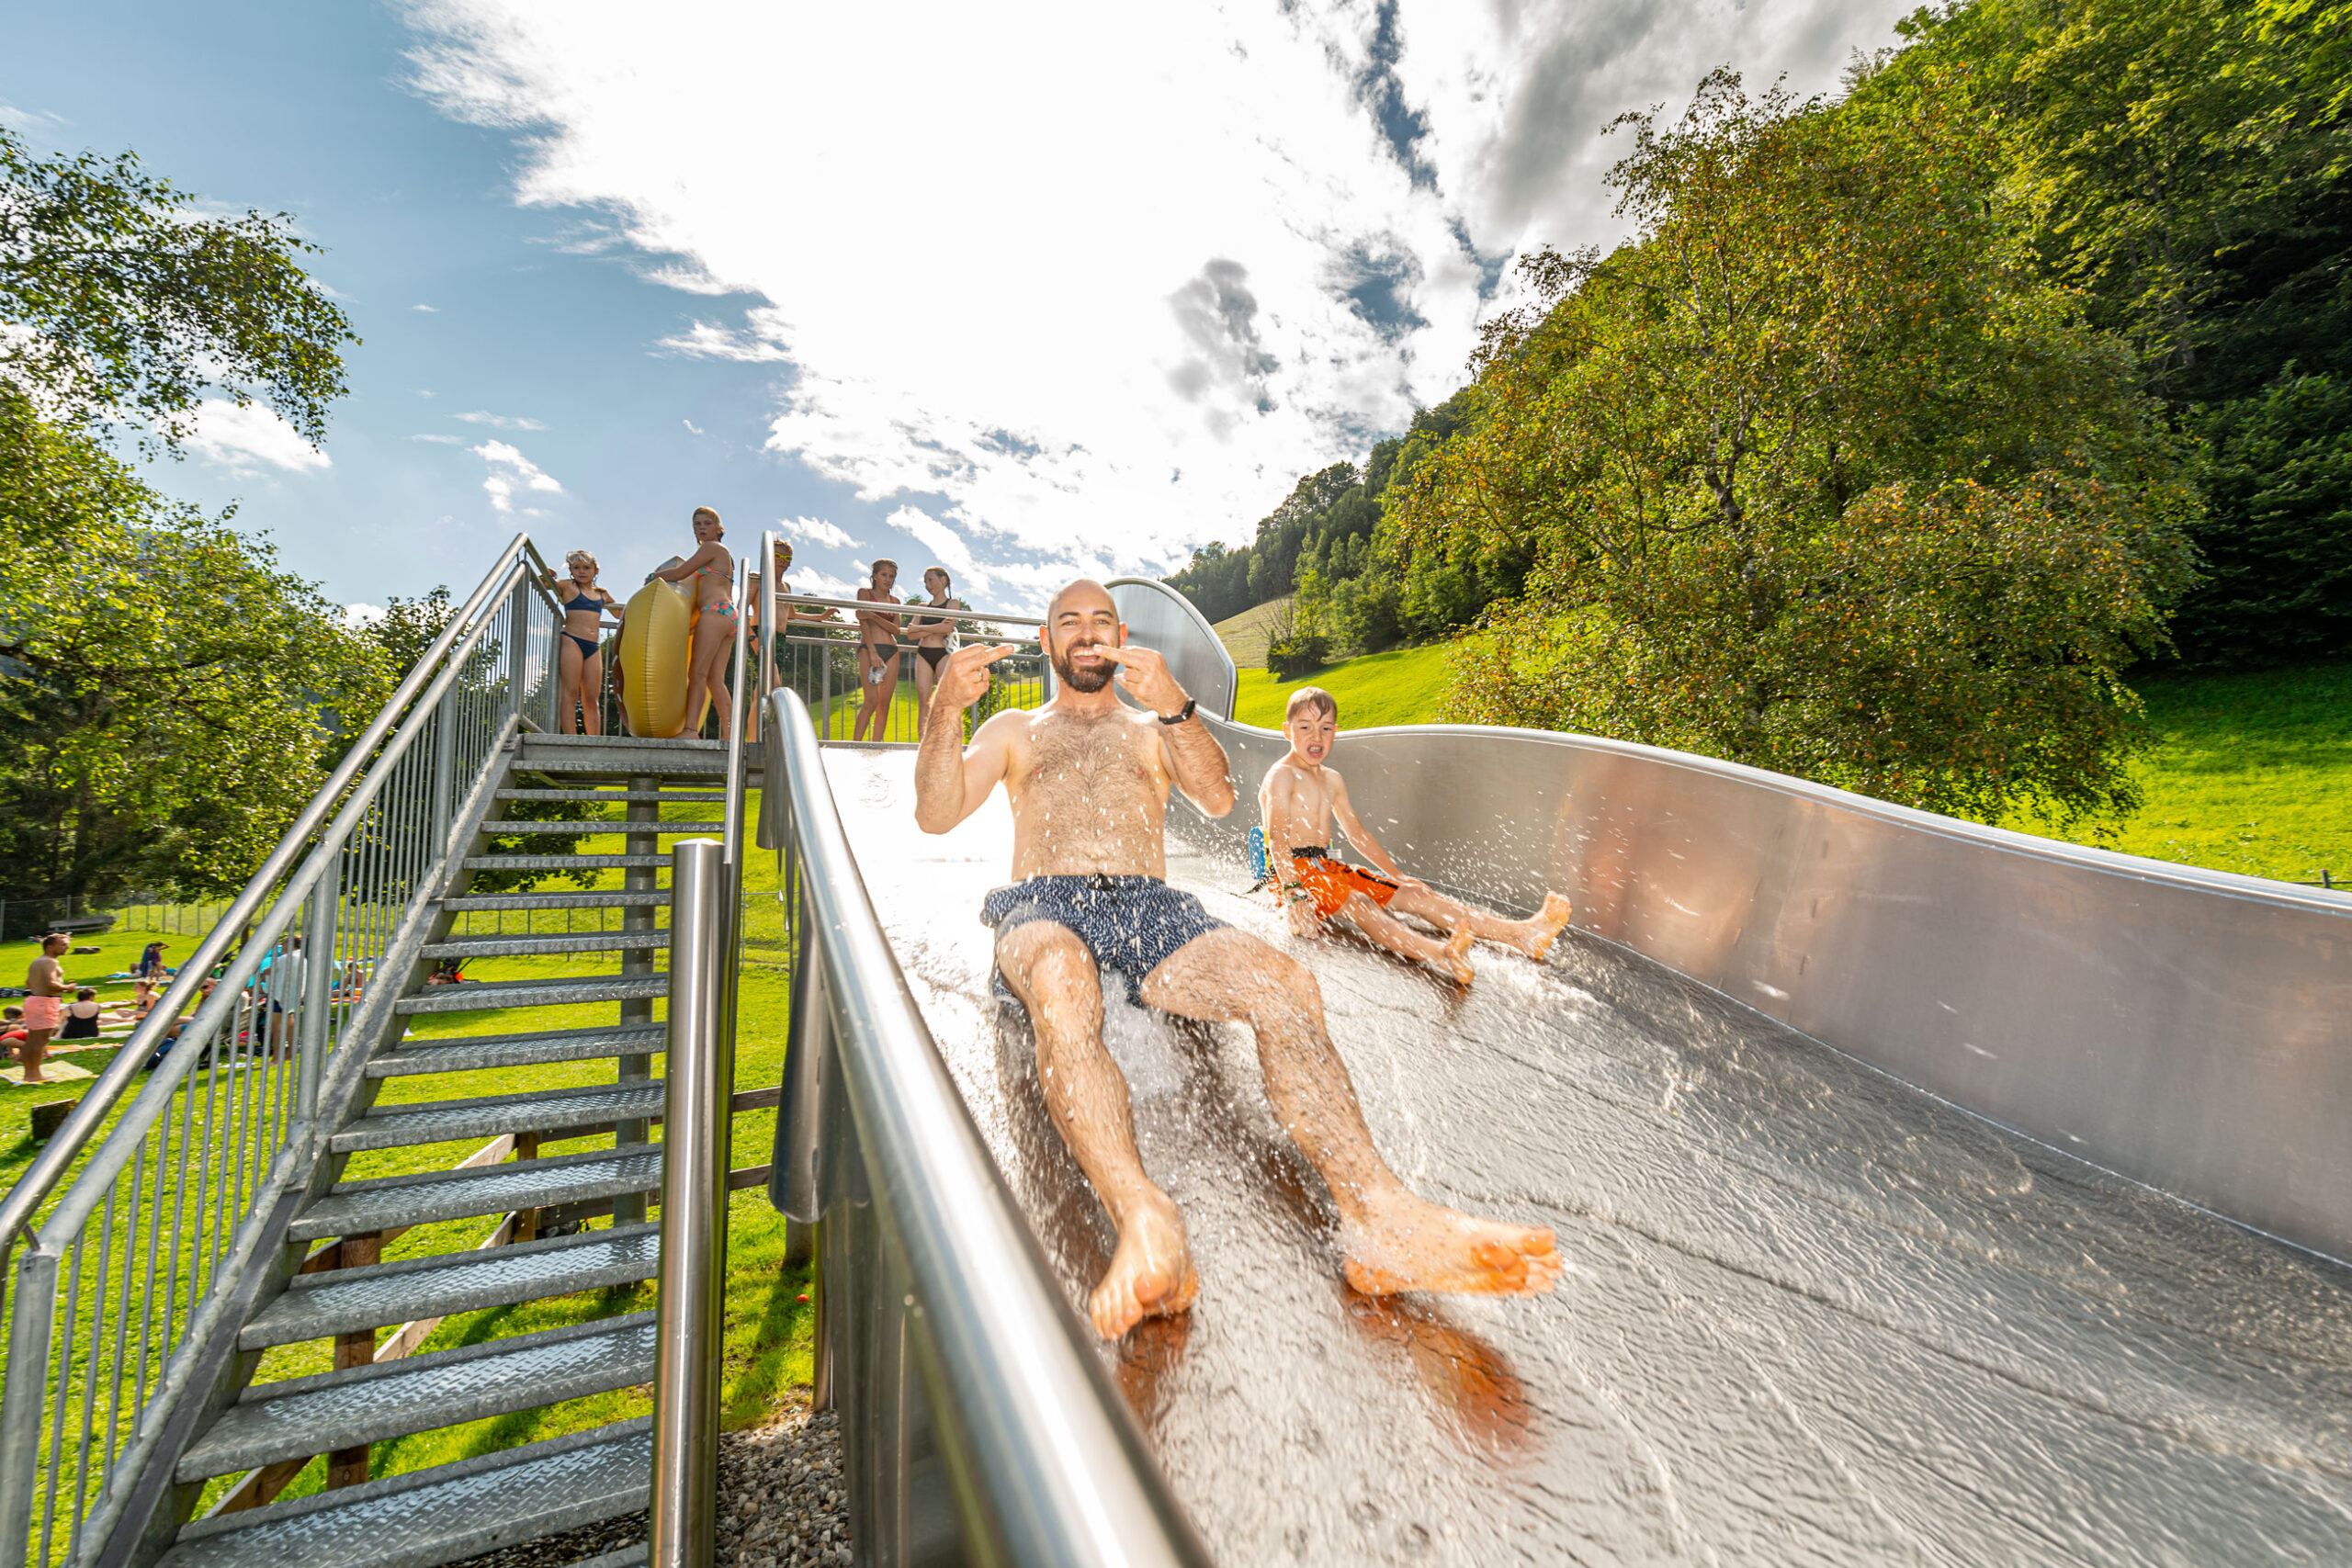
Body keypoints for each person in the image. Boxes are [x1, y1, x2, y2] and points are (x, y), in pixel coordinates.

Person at [914, 580, 1563, 1340]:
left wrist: (1177, 704)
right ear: (1048, 638)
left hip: (1151, 910)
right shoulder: (1016, 727)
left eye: (1100, 621)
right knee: (1061, 981)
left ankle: (1381, 1216)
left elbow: (1220, 798)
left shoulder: (1153, 725)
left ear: (1121, 632)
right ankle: (1147, 1221)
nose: (1086, 634)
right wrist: (945, 709)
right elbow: (935, 813)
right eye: (1069, 623)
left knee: (1282, 980)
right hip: (1045, 905)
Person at [1260, 687, 1574, 984]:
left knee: (1418, 895)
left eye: (1325, 728)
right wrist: (1294, 894)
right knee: (1359, 903)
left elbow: (1357, 833)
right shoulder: (1282, 776)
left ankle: (1520, 935)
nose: (1316, 737)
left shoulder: (1332, 779)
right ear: (1287, 731)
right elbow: (1275, 837)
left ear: (1335, 732)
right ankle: (1441, 954)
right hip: (1291, 874)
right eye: (1305, 728)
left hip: (1326, 868)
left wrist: (1397, 876)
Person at [649, 506, 738, 739]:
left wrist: (652, 577)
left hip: (714, 612)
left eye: (707, 523)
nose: (701, 528)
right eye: (697, 524)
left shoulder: (712, 548)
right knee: (714, 679)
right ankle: (730, 735)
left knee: (697, 673)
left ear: (719, 528)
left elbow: (680, 573)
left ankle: (690, 730)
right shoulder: (723, 554)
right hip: (727, 615)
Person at [543, 549, 622, 736]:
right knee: (570, 692)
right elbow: (544, 584)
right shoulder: (568, 586)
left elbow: (620, 613)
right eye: (576, 567)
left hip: (593, 647)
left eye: (586, 568)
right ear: (570, 570)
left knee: (591, 698)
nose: (581, 571)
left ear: (595, 570)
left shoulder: (602, 594)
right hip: (572, 641)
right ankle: (571, 738)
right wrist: (545, 574)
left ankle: (594, 741)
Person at [905, 566, 969, 739]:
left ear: (943, 580)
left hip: (943, 654)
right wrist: (935, 629)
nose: (927, 584)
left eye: (930, 580)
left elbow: (948, 627)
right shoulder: (922, 606)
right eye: (925, 581)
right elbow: (911, 634)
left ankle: (943, 742)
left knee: (943, 701)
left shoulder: (952, 603)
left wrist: (921, 628)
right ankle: (922, 744)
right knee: (924, 702)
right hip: (923, 654)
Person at [852, 558, 904, 742]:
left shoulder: (895, 601)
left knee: (884, 705)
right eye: (884, 575)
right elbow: (862, 622)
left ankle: (875, 747)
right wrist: (873, 652)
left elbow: (896, 630)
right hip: (869, 649)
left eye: (892, 576)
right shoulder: (864, 593)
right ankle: (854, 746)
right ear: (874, 575)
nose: (888, 579)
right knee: (871, 701)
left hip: (892, 651)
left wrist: (873, 615)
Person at [18, 933, 70, 1084]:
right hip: (44, 1002)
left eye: (66, 945)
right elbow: (51, 983)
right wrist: (68, 987)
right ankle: (34, 1075)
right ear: (50, 946)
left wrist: (39, 992)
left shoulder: (38, 961)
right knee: (40, 1041)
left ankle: (29, 1074)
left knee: (32, 1040)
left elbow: (28, 982)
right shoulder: (50, 962)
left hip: (36, 1000)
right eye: (62, 945)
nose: (66, 948)